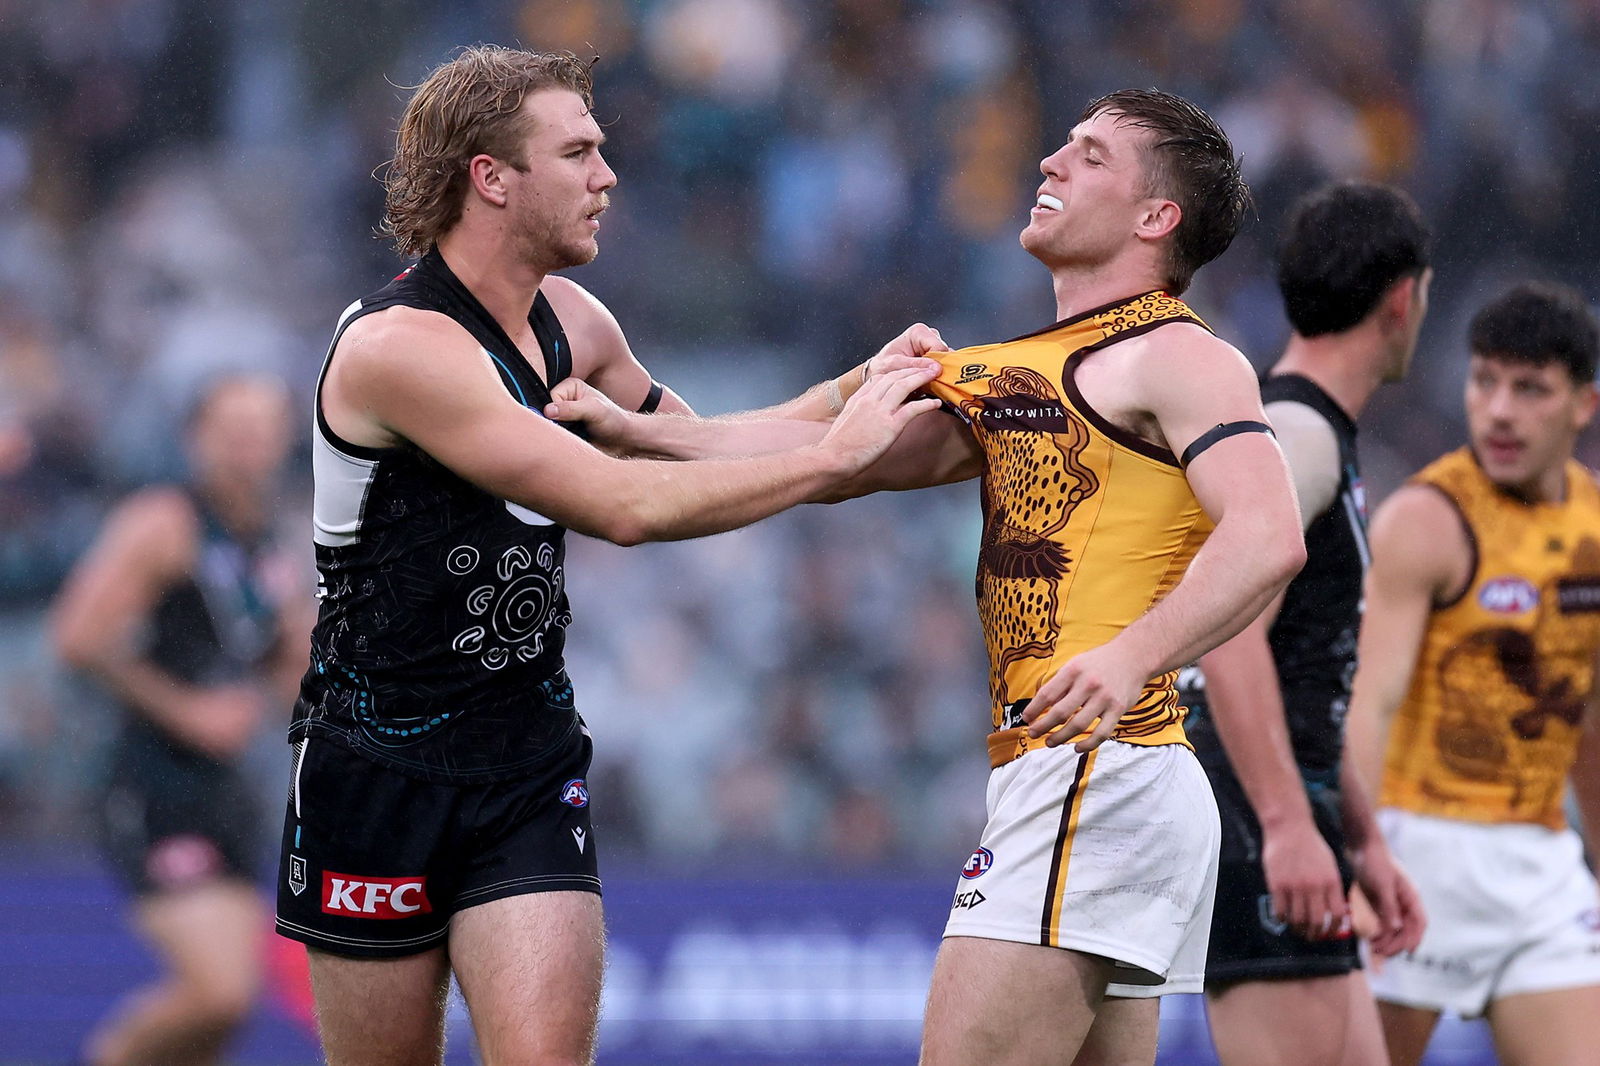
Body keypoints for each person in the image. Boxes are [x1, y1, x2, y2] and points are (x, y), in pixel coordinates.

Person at [553, 87, 1307, 1066]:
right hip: (1089, 776)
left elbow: (1267, 530)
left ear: (1154, 216)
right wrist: (645, 432)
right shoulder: (1013, 365)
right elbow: (828, 454)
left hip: (1102, 765)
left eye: (1088, 155)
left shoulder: (1179, 353)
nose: (1049, 164)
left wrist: (1130, 656)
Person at [273, 45, 943, 1066]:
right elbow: (625, 504)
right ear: (491, 177)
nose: (608, 175)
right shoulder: (398, 348)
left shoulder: (573, 323)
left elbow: (699, 441)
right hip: (375, 772)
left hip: (525, 762)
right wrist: (830, 457)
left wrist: (857, 390)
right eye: (578, 151)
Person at [1178, 181, 1431, 1066]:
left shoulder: (1306, 431)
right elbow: (1230, 632)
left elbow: (1299, 676)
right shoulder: (1299, 431)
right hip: (1258, 824)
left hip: (1290, 815)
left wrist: (1358, 837)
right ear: (1405, 298)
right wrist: (1289, 824)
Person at [1346, 281, 1600, 1066]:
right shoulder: (1426, 521)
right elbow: (1370, 703)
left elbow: (1590, 722)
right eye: (1485, 380)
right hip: (1414, 856)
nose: (1499, 410)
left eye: (1530, 390)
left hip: (1540, 863)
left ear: (1582, 405)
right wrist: (1356, 858)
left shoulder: (1593, 528)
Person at [51, 375, 308, 1066]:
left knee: (226, 1015)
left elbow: (283, 659)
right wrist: (184, 709)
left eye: (261, 428)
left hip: (225, 789)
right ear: (196, 439)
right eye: (232, 429)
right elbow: (77, 634)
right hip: (155, 782)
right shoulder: (165, 519)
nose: (248, 444)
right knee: (218, 991)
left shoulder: (267, 537)